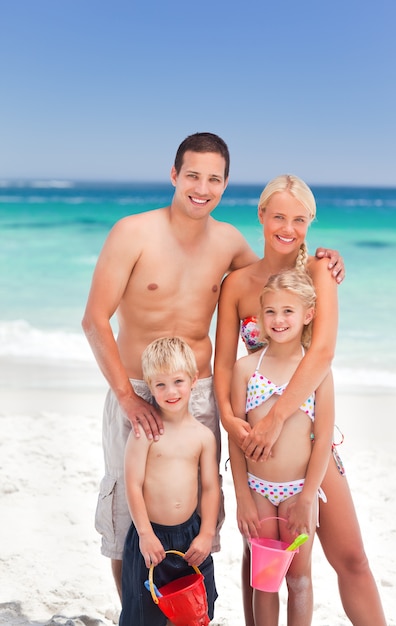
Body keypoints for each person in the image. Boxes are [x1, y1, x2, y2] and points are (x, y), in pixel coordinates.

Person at [82, 132, 344, 599]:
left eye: (214, 180)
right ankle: (137, 611)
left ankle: (188, 606)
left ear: (225, 185)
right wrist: (125, 397)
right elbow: (94, 320)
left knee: (199, 507)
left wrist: (326, 260)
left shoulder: (228, 243)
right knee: (128, 509)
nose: (202, 188)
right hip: (139, 390)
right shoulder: (132, 232)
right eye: (193, 176)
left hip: (200, 391)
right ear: (174, 175)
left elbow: (277, 273)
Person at [214, 174, 387, 625]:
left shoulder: (318, 272)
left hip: (309, 434)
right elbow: (223, 367)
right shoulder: (237, 283)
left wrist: (276, 418)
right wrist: (233, 424)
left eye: (299, 219)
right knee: (262, 564)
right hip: (257, 447)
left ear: (310, 223)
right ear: (261, 216)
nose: (287, 228)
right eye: (278, 216)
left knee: (351, 558)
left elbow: (323, 353)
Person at [229, 269, 334, 626]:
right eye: (270, 311)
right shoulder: (245, 369)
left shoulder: (316, 371)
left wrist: (307, 497)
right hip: (257, 491)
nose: (278, 319)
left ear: (308, 315)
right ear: (260, 316)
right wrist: (242, 496)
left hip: (297, 492)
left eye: (288, 311)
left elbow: (323, 438)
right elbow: (236, 438)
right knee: (265, 580)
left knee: (299, 578)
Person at [119, 337, 220, 626]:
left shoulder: (203, 436)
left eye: (178, 381)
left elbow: (211, 487)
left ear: (194, 380)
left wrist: (206, 534)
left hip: (190, 535)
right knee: (143, 613)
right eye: (160, 384)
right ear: (150, 387)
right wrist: (145, 534)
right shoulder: (144, 432)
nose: (170, 391)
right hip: (151, 536)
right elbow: (133, 484)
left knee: (197, 608)